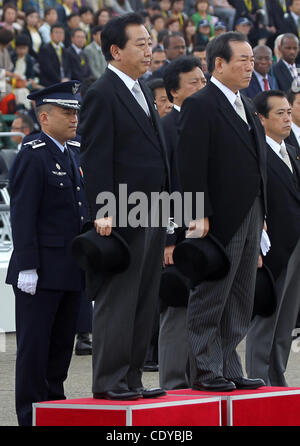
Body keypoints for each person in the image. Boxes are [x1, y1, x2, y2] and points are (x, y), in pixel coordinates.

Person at [79, 12, 170, 401]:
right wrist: (103, 211)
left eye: (150, 43)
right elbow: (97, 156)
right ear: (115, 51)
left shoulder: (143, 88)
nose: (149, 50)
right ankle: (109, 381)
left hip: (152, 208)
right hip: (122, 211)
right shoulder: (103, 92)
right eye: (140, 44)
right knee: (120, 299)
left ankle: (132, 378)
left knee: (146, 298)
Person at [176, 31, 267, 392]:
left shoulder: (245, 103)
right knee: (212, 295)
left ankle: (229, 365)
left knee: (240, 298)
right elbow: (191, 165)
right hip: (217, 219)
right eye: (242, 60)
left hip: (252, 213)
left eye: (252, 59)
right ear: (218, 63)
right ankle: (203, 370)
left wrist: (265, 216)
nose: (251, 65)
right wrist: (197, 215)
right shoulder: (201, 104)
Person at [5, 80, 87, 426]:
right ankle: (29, 416)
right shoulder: (33, 153)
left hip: (70, 268)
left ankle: (54, 408)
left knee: (60, 350)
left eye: (75, 113)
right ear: (44, 117)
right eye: (66, 113)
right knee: (34, 350)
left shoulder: (74, 152)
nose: (73, 119)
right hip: (39, 272)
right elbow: (23, 213)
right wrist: (27, 265)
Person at [246, 90, 300, 387]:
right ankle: (258, 380)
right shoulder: (257, 154)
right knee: (265, 319)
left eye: (289, 112)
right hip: (270, 248)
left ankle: (276, 380)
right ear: (261, 118)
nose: (287, 119)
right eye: (279, 113)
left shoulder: (291, 151)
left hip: (295, 245)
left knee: (285, 324)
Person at [159, 55, 206, 390]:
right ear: (173, 91)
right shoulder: (164, 128)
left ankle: (200, 381)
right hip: (179, 234)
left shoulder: (207, 123)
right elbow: (161, 186)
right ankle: (175, 385)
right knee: (177, 309)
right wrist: (169, 238)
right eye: (194, 82)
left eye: (204, 81)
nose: (202, 88)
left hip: (209, 233)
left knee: (204, 310)